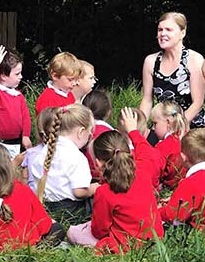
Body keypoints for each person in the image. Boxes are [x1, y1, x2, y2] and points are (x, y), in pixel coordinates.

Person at [67, 109, 164, 254]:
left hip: (126, 245)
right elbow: (147, 152)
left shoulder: (104, 192)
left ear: (98, 163)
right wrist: (133, 131)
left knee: (73, 232)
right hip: (155, 237)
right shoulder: (143, 171)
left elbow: (99, 230)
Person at [0, 143, 63, 250]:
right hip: (26, 247)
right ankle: (38, 250)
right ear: (9, 166)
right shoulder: (23, 189)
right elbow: (44, 225)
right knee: (57, 228)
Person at [26, 104, 98, 223]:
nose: (90, 137)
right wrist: (93, 189)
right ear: (81, 132)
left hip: (43, 208)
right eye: (89, 133)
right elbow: (79, 192)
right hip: (70, 212)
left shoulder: (43, 151)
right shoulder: (77, 156)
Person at [140, 11, 205, 131]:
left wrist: (174, 130)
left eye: (168, 30)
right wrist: (140, 127)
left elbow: (197, 103)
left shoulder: (194, 59)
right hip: (161, 127)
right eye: (160, 30)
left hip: (190, 127)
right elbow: (147, 100)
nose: (162, 34)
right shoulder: (151, 61)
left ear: (182, 33)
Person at [0, 45, 32, 152]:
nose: (21, 77)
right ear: (3, 76)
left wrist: (26, 135)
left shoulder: (18, 95)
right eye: (17, 74)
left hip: (15, 142)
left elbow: (26, 117)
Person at [150, 101, 188, 189]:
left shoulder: (163, 146)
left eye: (155, 123)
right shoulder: (187, 137)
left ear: (168, 122)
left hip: (170, 187)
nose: (153, 128)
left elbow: (156, 171)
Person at [82, 89, 114, 180]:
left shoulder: (77, 128)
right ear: (108, 112)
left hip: (82, 174)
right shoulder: (110, 132)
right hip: (105, 176)